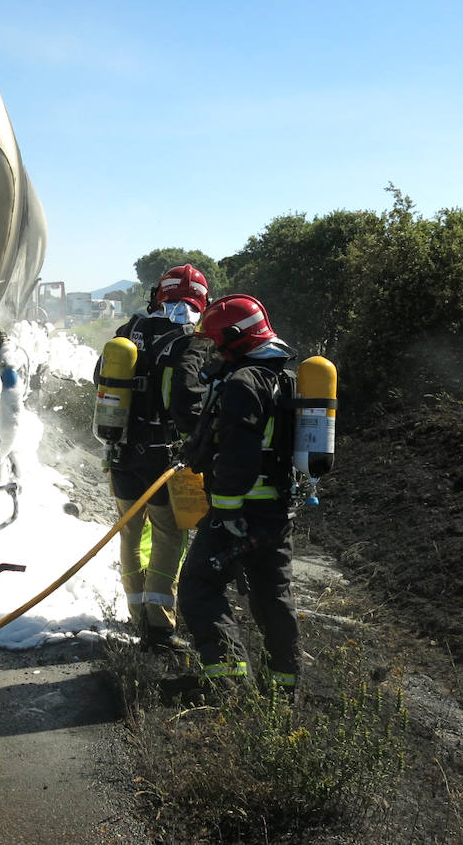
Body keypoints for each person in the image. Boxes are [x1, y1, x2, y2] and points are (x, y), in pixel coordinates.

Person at [176, 293, 301, 697]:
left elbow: (238, 453)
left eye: (216, 343)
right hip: (276, 512)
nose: (213, 351)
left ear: (235, 339)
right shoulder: (282, 376)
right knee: (272, 596)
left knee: (199, 586)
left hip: (241, 512)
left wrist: (226, 510)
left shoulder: (244, 382)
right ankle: (284, 686)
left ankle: (228, 682)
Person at [98, 264, 212, 653]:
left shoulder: (129, 331)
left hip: (120, 452)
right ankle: (159, 627)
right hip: (163, 457)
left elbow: (101, 376)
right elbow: (186, 397)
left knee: (131, 531)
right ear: (201, 301)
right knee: (168, 534)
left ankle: (136, 615)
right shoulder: (190, 339)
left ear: (158, 296)